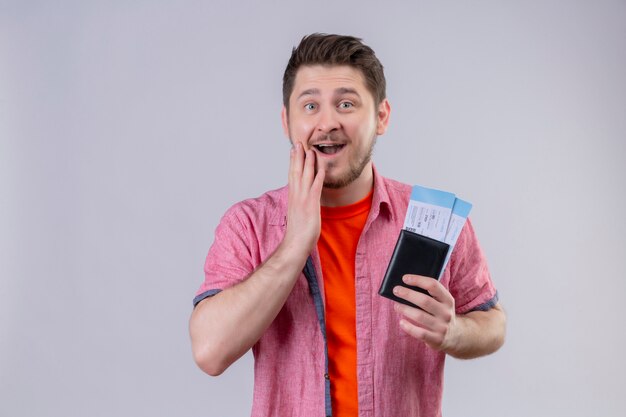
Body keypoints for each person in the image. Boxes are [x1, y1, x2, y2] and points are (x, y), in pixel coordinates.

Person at [189, 33, 506, 417]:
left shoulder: (432, 219)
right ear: (287, 121)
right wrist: (295, 244)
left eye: (346, 103)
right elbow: (209, 351)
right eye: (310, 105)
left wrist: (454, 332)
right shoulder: (249, 224)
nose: (327, 122)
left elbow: (492, 323)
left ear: (382, 117)